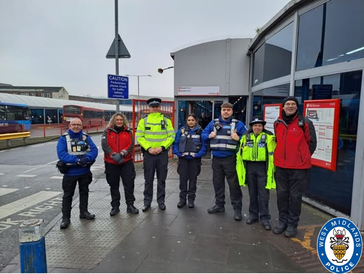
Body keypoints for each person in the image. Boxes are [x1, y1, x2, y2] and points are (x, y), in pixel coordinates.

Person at [273, 96, 317, 238]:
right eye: (288, 104)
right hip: (280, 166)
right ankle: (282, 222)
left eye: (293, 104)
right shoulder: (277, 123)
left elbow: (312, 143)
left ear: (297, 107)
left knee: (295, 196)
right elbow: (279, 141)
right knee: (281, 195)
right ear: (283, 107)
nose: (290, 106)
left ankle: (292, 224)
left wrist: (302, 157)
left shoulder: (305, 123)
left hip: (299, 168)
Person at [202, 102, 247, 221]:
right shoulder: (214, 123)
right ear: (220, 111)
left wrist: (239, 138)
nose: (226, 112)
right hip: (216, 159)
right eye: (224, 110)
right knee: (218, 183)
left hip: (230, 159)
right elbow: (203, 134)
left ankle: (237, 209)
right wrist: (209, 136)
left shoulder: (238, 124)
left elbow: (249, 138)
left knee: (233, 185)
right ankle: (219, 205)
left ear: (232, 111)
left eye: (228, 110)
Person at [56, 118, 98, 229]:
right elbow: (62, 154)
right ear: (69, 126)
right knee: (67, 196)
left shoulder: (86, 137)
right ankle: (66, 219)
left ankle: (83, 212)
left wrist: (87, 158)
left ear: (81, 126)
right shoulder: (63, 139)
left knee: (84, 193)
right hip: (70, 173)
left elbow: (94, 150)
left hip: (84, 172)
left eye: (78, 125)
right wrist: (77, 160)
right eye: (73, 124)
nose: (76, 126)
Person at [236, 117, 276, 230]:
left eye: (259, 125)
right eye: (255, 126)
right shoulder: (245, 137)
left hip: (263, 168)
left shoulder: (269, 137)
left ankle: (265, 217)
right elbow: (240, 153)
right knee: (252, 193)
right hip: (249, 168)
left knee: (263, 195)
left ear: (263, 127)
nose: (257, 127)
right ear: (252, 127)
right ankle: (253, 214)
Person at [136, 98, 175, 211]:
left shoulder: (166, 120)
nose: (155, 108)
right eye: (153, 106)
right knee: (148, 180)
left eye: (157, 106)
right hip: (149, 154)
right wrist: (149, 148)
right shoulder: (143, 121)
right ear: (149, 108)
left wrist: (162, 147)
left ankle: (161, 201)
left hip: (162, 154)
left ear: (159, 107)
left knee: (161, 179)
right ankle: (147, 202)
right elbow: (139, 137)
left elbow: (171, 136)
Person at [101, 113, 139, 216]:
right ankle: (115, 206)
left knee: (129, 184)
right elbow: (105, 145)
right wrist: (113, 154)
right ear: (113, 121)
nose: (119, 121)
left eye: (121, 120)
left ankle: (130, 205)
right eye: (117, 120)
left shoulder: (128, 131)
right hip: (111, 163)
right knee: (113, 185)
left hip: (126, 162)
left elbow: (130, 144)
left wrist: (123, 153)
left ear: (123, 121)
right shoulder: (107, 132)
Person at [172, 114, 208, 208]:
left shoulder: (201, 132)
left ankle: (191, 200)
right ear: (186, 121)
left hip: (194, 160)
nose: (190, 122)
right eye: (189, 120)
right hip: (183, 160)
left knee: (193, 180)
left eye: (192, 120)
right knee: (183, 180)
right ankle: (182, 200)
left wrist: (197, 155)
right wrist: (179, 154)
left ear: (196, 121)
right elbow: (175, 144)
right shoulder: (181, 131)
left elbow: (204, 146)